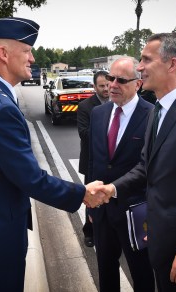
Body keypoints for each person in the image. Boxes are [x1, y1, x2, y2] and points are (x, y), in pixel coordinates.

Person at [0, 17, 108, 292]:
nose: (32, 58)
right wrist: (82, 194)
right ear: (3, 54)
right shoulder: (1, 109)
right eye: (26, 50)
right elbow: (31, 178)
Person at [95, 33, 176, 292]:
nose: (140, 66)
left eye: (146, 59)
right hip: (160, 243)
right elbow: (147, 167)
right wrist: (113, 189)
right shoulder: (158, 109)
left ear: (172, 64)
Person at [88, 57, 155, 292]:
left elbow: (149, 167)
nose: (113, 85)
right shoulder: (98, 113)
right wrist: (90, 206)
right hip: (102, 211)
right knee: (106, 270)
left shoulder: (152, 116)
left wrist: (115, 189)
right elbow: (94, 162)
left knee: (142, 272)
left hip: (136, 211)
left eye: (121, 80)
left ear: (137, 84)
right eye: (110, 78)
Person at [77, 70, 110, 248]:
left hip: (113, 161)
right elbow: (84, 134)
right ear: (94, 87)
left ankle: (108, 230)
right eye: (102, 86)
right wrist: (107, 127)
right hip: (92, 162)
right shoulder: (85, 106)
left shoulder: (117, 102)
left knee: (110, 197)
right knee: (91, 198)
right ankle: (89, 231)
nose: (106, 89)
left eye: (107, 85)